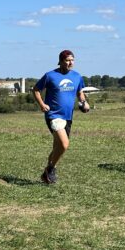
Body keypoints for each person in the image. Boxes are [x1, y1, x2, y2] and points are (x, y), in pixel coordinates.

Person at [33, 49, 89, 184]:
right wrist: (42, 104)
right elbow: (36, 89)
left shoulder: (77, 76)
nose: (70, 63)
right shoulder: (50, 75)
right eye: (67, 60)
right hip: (53, 115)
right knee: (64, 145)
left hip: (68, 116)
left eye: (72, 60)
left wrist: (84, 102)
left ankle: (46, 175)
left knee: (57, 147)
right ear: (60, 61)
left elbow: (79, 92)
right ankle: (51, 168)